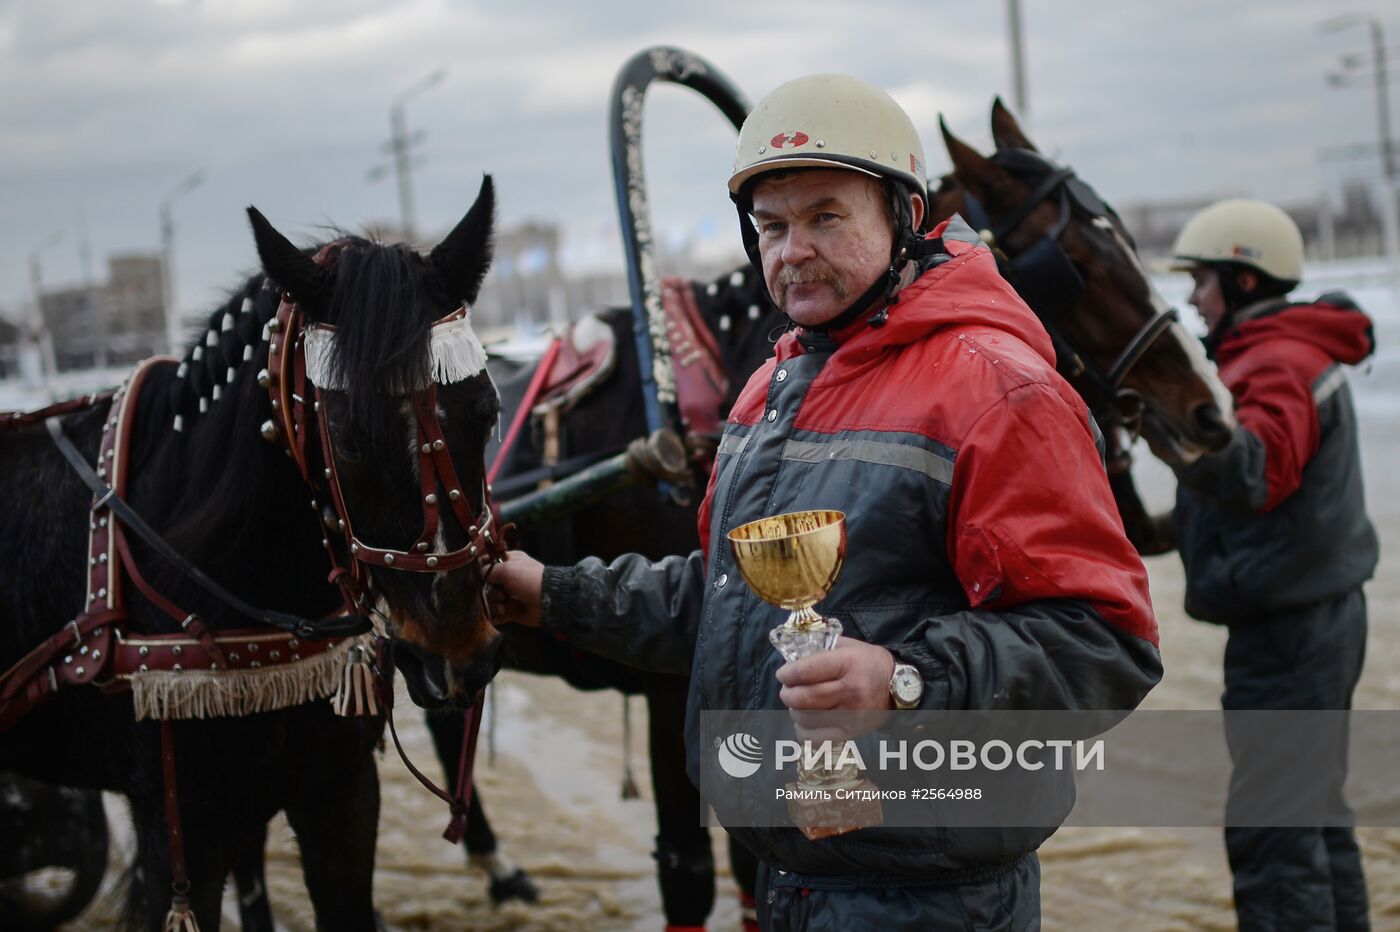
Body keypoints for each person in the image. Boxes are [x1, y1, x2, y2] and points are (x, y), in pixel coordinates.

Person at [488, 73, 1161, 929]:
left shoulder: (997, 391)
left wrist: (905, 681)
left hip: (927, 895)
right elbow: (732, 603)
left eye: (825, 217)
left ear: (903, 217)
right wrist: (551, 593)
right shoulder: (772, 386)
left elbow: (1106, 644)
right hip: (791, 877)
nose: (791, 250)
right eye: (771, 226)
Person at [1160, 199, 1378, 931]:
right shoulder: (1284, 350)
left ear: (1244, 282)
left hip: (1289, 633)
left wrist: (1166, 430)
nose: (1193, 296)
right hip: (1315, 618)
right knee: (1312, 815)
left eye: (1203, 281)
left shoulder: (1276, 359)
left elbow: (1255, 478)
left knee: (1273, 832)